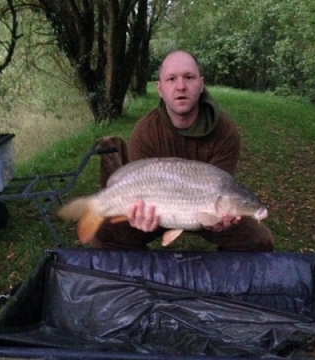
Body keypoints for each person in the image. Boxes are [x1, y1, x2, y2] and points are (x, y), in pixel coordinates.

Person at [91, 50, 274, 251]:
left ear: (201, 84)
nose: (181, 86)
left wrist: (220, 221)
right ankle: (139, 277)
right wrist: (138, 216)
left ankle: (222, 278)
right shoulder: (144, 132)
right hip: (158, 211)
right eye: (171, 79)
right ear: (160, 88)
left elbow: (224, 187)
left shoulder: (225, 131)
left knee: (260, 241)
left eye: (189, 77)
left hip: (206, 211)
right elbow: (137, 190)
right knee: (103, 235)